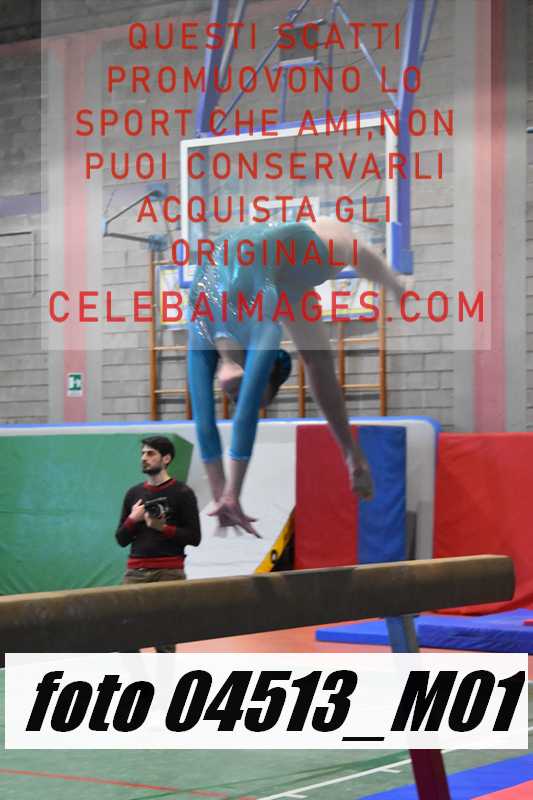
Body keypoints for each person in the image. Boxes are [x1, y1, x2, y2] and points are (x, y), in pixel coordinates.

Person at [187, 217, 409, 535]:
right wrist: (227, 495)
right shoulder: (255, 328)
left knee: (346, 253)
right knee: (319, 354)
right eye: (246, 394)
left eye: (241, 396)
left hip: (288, 259)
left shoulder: (232, 329)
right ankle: (354, 456)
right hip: (285, 264)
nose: (237, 399)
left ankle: (395, 283)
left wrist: (228, 494)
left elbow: (235, 416)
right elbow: (215, 421)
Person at [115, 435, 201, 652]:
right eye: (143, 453)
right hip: (135, 573)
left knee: (164, 641)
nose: (144, 458)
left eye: (150, 453)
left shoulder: (182, 493)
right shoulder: (133, 493)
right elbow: (120, 539)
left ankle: (163, 675)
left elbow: (194, 537)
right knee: (123, 635)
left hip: (169, 572)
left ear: (166, 458)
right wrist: (132, 519)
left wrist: (161, 527)